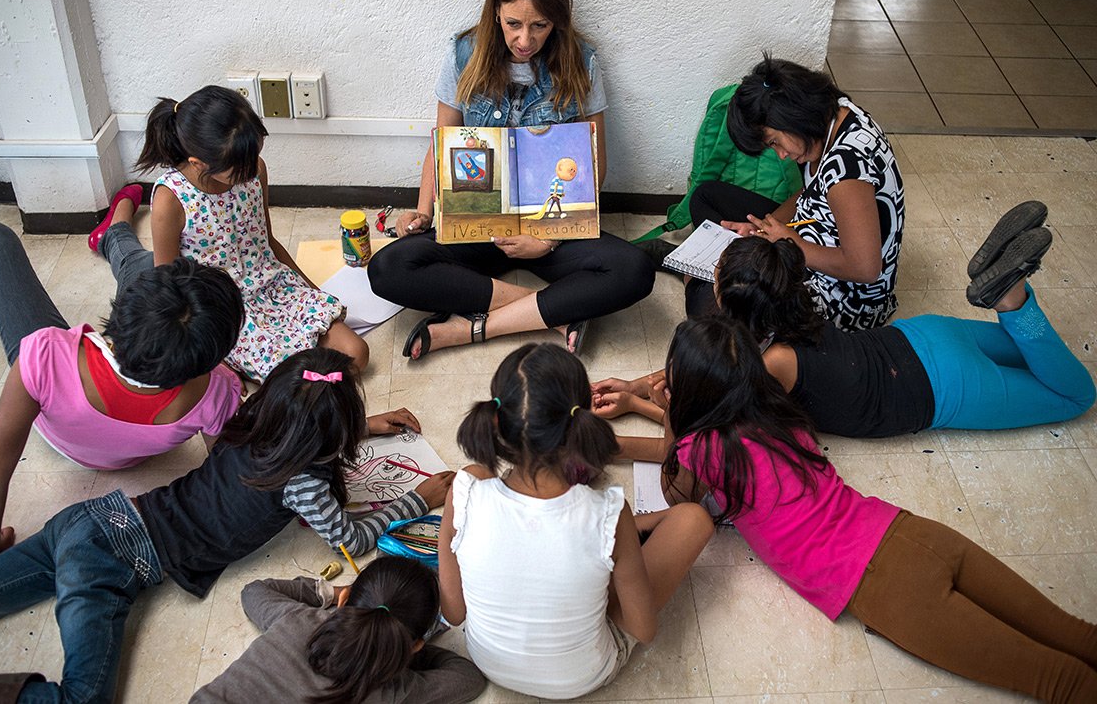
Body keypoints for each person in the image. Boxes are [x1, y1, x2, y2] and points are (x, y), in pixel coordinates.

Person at [0, 347, 453, 703]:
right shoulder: (304, 481)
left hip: (88, 520)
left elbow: (298, 418)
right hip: (109, 562)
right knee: (83, 697)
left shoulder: (251, 418)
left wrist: (360, 425)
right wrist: (416, 498)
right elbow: (352, 538)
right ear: (334, 429)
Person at [658, 316, 1097, 703]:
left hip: (883, 586)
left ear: (691, 392)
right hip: (909, 531)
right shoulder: (778, 411)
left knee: (1058, 682)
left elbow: (675, 497)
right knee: (1074, 634)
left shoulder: (700, 449)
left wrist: (670, 423)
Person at [593, 202, 1094, 439]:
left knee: (1076, 395)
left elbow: (713, 434)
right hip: (924, 336)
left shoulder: (769, 365)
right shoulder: (788, 305)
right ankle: (1011, 293)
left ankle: (1009, 294)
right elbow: (710, 380)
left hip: (942, 388)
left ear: (725, 303)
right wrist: (635, 384)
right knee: (1038, 359)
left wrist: (641, 403)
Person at [368, 0, 654, 359]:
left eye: (539, 25)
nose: (525, 39)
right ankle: (550, 309)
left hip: (548, 226)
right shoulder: (463, 53)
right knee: (387, 268)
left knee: (635, 270)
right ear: (496, 12)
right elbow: (441, 141)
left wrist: (547, 239)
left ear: (557, 19)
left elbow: (593, 164)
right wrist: (424, 211)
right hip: (476, 223)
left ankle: (468, 329)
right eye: (514, 23)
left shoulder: (582, 61)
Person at [0, 220, 244, 568]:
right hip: (133, 453)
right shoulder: (216, 390)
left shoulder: (42, 355)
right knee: (144, 263)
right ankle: (117, 232)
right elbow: (225, 471)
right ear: (212, 356)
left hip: (60, 420)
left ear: (120, 310)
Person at [436, 343, 712, 699]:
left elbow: (454, 612)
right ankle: (631, 543)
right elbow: (643, 629)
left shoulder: (465, 491)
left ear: (497, 420)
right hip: (582, 677)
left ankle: (631, 541)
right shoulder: (608, 513)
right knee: (693, 519)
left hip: (489, 662)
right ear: (580, 421)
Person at [133, 84, 368, 379]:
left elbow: (266, 240)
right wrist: (208, 359)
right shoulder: (171, 198)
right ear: (198, 163)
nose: (250, 173)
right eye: (238, 171)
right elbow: (166, 286)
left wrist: (313, 294)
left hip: (274, 287)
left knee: (355, 355)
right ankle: (117, 225)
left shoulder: (254, 169)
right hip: (222, 310)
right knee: (297, 384)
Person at [714, 54, 905, 332]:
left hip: (843, 300)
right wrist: (764, 228)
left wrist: (793, 243)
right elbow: (811, 193)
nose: (780, 155)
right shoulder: (834, 114)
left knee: (720, 293)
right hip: (810, 234)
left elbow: (865, 269)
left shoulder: (848, 172)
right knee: (706, 197)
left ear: (791, 116)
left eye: (775, 142)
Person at [191, 557, 486, 704]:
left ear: (345, 600)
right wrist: (395, 648)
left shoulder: (296, 620)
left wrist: (329, 593)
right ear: (417, 645)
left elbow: (254, 591)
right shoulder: (393, 690)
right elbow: (469, 678)